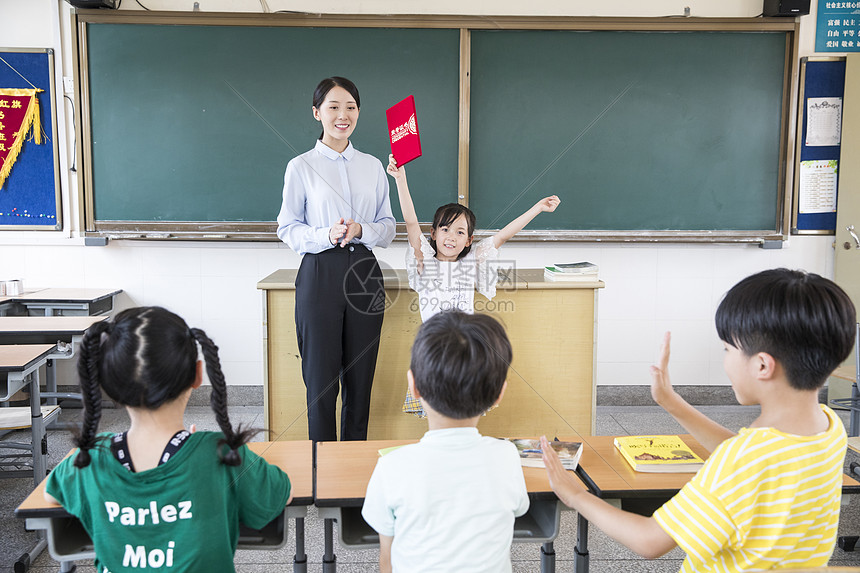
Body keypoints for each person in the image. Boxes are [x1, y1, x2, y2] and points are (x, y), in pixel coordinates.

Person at [541, 268, 856, 572]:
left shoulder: (745, 460)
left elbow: (649, 540)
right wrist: (672, 402)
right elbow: (755, 456)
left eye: (727, 349)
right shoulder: (828, 428)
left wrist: (576, 495)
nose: (725, 359)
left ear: (762, 366)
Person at [45, 307, 292, 573]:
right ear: (199, 374)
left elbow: (51, 493)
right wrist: (195, 448)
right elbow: (281, 494)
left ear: (108, 382)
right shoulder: (219, 453)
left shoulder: (91, 457)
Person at [387, 154, 559, 416]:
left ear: (469, 240)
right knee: (436, 404)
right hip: (435, 346)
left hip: (467, 345)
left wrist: (537, 208)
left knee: (464, 403)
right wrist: (401, 179)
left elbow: (503, 235)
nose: (451, 237)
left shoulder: (471, 261)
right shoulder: (424, 261)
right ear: (433, 234)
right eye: (445, 230)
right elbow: (411, 221)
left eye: (459, 232)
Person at [361, 310, 529, 573]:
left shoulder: (392, 467)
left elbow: (388, 560)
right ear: (498, 394)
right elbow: (518, 510)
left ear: (413, 387)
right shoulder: (507, 456)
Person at [276, 77, 396, 442]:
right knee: (321, 381)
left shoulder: (373, 166)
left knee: (361, 383)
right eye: (333, 107)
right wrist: (324, 234)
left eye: (351, 107)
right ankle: (322, 474)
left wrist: (361, 230)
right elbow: (287, 227)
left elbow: (388, 228)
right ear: (317, 113)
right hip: (319, 272)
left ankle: (353, 474)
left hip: (364, 273)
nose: (343, 115)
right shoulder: (301, 166)